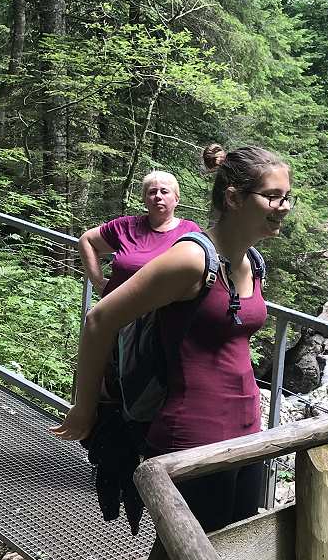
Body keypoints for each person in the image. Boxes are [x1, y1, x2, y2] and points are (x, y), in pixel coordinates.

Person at [53, 144, 292, 532]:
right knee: (190, 557)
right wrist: (85, 408)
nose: (283, 207)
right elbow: (99, 320)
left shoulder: (252, 261)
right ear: (234, 198)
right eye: (273, 196)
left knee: (239, 550)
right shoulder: (192, 259)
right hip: (192, 435)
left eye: (287, 197)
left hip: (248, 429)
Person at [78, 171, 201, 297]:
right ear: (145, 200)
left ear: (176, 199)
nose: (158, 196)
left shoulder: (190, 232)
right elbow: (86, 240)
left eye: (164, 191)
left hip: (167, 308)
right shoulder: (126, 226)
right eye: (152, 192)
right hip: (118, 306)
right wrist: (99, 284)